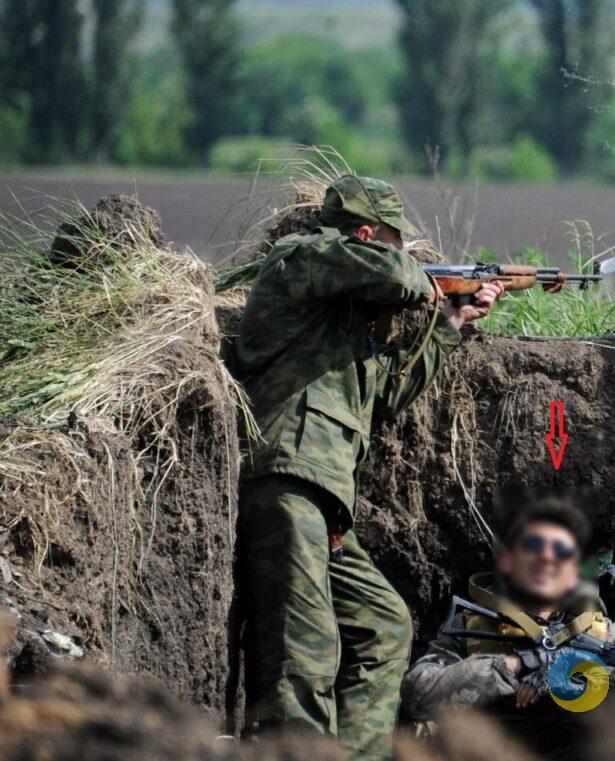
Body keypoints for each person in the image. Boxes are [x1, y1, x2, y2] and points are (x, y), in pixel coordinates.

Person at [233, 174, 504, 758]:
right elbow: (392, 273)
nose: (403, 255)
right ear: (364, 235)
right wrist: (435, 282)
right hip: (289, 475)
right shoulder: (300, 257)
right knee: (303, 651)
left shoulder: (343, 322)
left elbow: (382, 400)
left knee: (384, 627)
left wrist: (451, 323)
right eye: (395, 241)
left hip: (322, 494)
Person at [401, 498, 615, 757]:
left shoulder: (606, 635)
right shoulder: (472, 626)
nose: (545, 558)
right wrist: (514, 664)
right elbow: (417, 695)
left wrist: (574, 668)